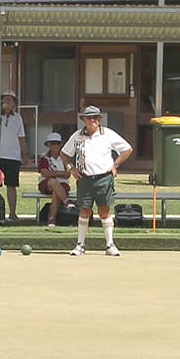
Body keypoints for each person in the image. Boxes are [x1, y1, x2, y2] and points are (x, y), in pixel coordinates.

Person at [60, 105, 134, 256]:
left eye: (95, 117)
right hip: (85, 178)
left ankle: (110, 245)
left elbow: (127, 149)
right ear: (84, 120)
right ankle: (80, 244)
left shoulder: (108, 134)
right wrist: (71, 169)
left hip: (104, 178)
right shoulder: (77, 136)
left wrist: (116, 165)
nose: (92, 120)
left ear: (100, 119)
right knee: (84, 211)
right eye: (89, 117)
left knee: (104, 211)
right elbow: (64, 154)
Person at [0, 91, 29, 223]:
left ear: (15, 103)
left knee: (11, 185)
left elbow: (21, 136)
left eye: (10, 100)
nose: (7, 102)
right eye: (4, 100)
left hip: (13, 156)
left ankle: (12, 213)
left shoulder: (18, 118)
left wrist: (25, 153)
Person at [37, 132, 70, 227]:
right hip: (46, 184)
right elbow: (44, 173)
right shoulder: (44, 157)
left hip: (62, 184)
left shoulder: (65, 157)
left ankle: (51, 219)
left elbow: (68, 174)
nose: (56, 145)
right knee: (52, 181)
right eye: (53, 143)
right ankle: (66, 201)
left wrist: (53, 173)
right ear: (48, 144)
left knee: (56, 191)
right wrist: (60, 173)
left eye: (58, 143)